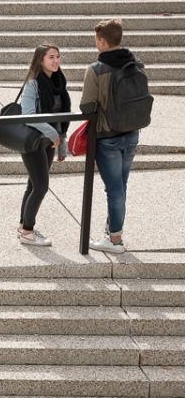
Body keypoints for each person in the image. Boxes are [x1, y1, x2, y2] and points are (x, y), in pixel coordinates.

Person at [83, 19, 144, 254]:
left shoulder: (96, 69)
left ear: (102, 40)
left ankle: (115, 240)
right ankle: (112, 229)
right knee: (121, 185)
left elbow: (87, 107)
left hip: (108, 137)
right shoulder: (136, 63)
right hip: (132, 134)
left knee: (114, 189)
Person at [15, 44, 70, 246]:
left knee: (33, 184)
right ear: (40, 60)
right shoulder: (33, 84)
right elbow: (28, 115)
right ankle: (28, 232)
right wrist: (52, 133)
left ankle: (23, 226)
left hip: (48, 143)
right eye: (51, 57)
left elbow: (60, 116)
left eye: (58, 56)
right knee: (41, 187)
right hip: (33, 142)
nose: (56, 61)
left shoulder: (58, 83)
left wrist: (60, 143)